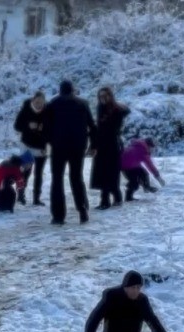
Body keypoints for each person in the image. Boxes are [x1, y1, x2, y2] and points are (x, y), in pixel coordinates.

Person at [41, 80, 95, 225]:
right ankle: (83, 210)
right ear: (73, 90)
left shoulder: (52, 104)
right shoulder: (83, 104)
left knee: (57, 179)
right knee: (77, 177)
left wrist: (47, 143)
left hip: (58, 147)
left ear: (60, 90)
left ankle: (58, 216)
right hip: (78, 147)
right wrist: (93, 145)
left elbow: (45, 128)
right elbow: (91, 125)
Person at [91, 87, 131, 210]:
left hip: (112, 144)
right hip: (102, 145)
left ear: (110, 96)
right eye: (100, 96)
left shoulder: (116, 110)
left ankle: (108, 200)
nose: (103, 98)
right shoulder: (100, 108)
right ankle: (113, 198)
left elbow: (113, 128)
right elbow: (99, 127)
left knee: (110, 172)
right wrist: (94, 145)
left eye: (105, 96)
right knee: (104, 173)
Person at [13, 90, 50, 206]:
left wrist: (41, 128)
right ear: (33, 100)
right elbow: (17, 126)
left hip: (41, 146)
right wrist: (28, 126)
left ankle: (36, 198)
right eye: (37, 102)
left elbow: (51, 129)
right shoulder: (25, 110)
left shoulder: (47, 111)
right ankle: (20, 195)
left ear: (44, 102)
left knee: (39, 173)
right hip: (27, 145)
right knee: (25, 171)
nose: (39, 104)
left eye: (41, 103)